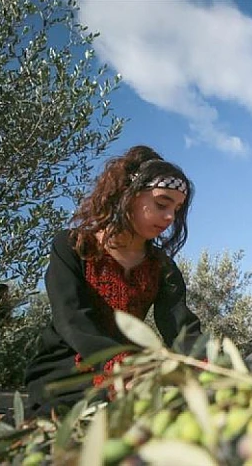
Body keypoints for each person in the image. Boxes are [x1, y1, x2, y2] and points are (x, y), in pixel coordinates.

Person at [24, 146, 202, 415]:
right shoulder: (72, 246)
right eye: (162, 204)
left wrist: (210, 366)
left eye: (176, 209)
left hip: (132, 375)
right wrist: (120, 364)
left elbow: (182, 329)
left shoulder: (163, 268)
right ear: (128, 194)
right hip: (65, 373)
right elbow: (72, 319)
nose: (170, 217)